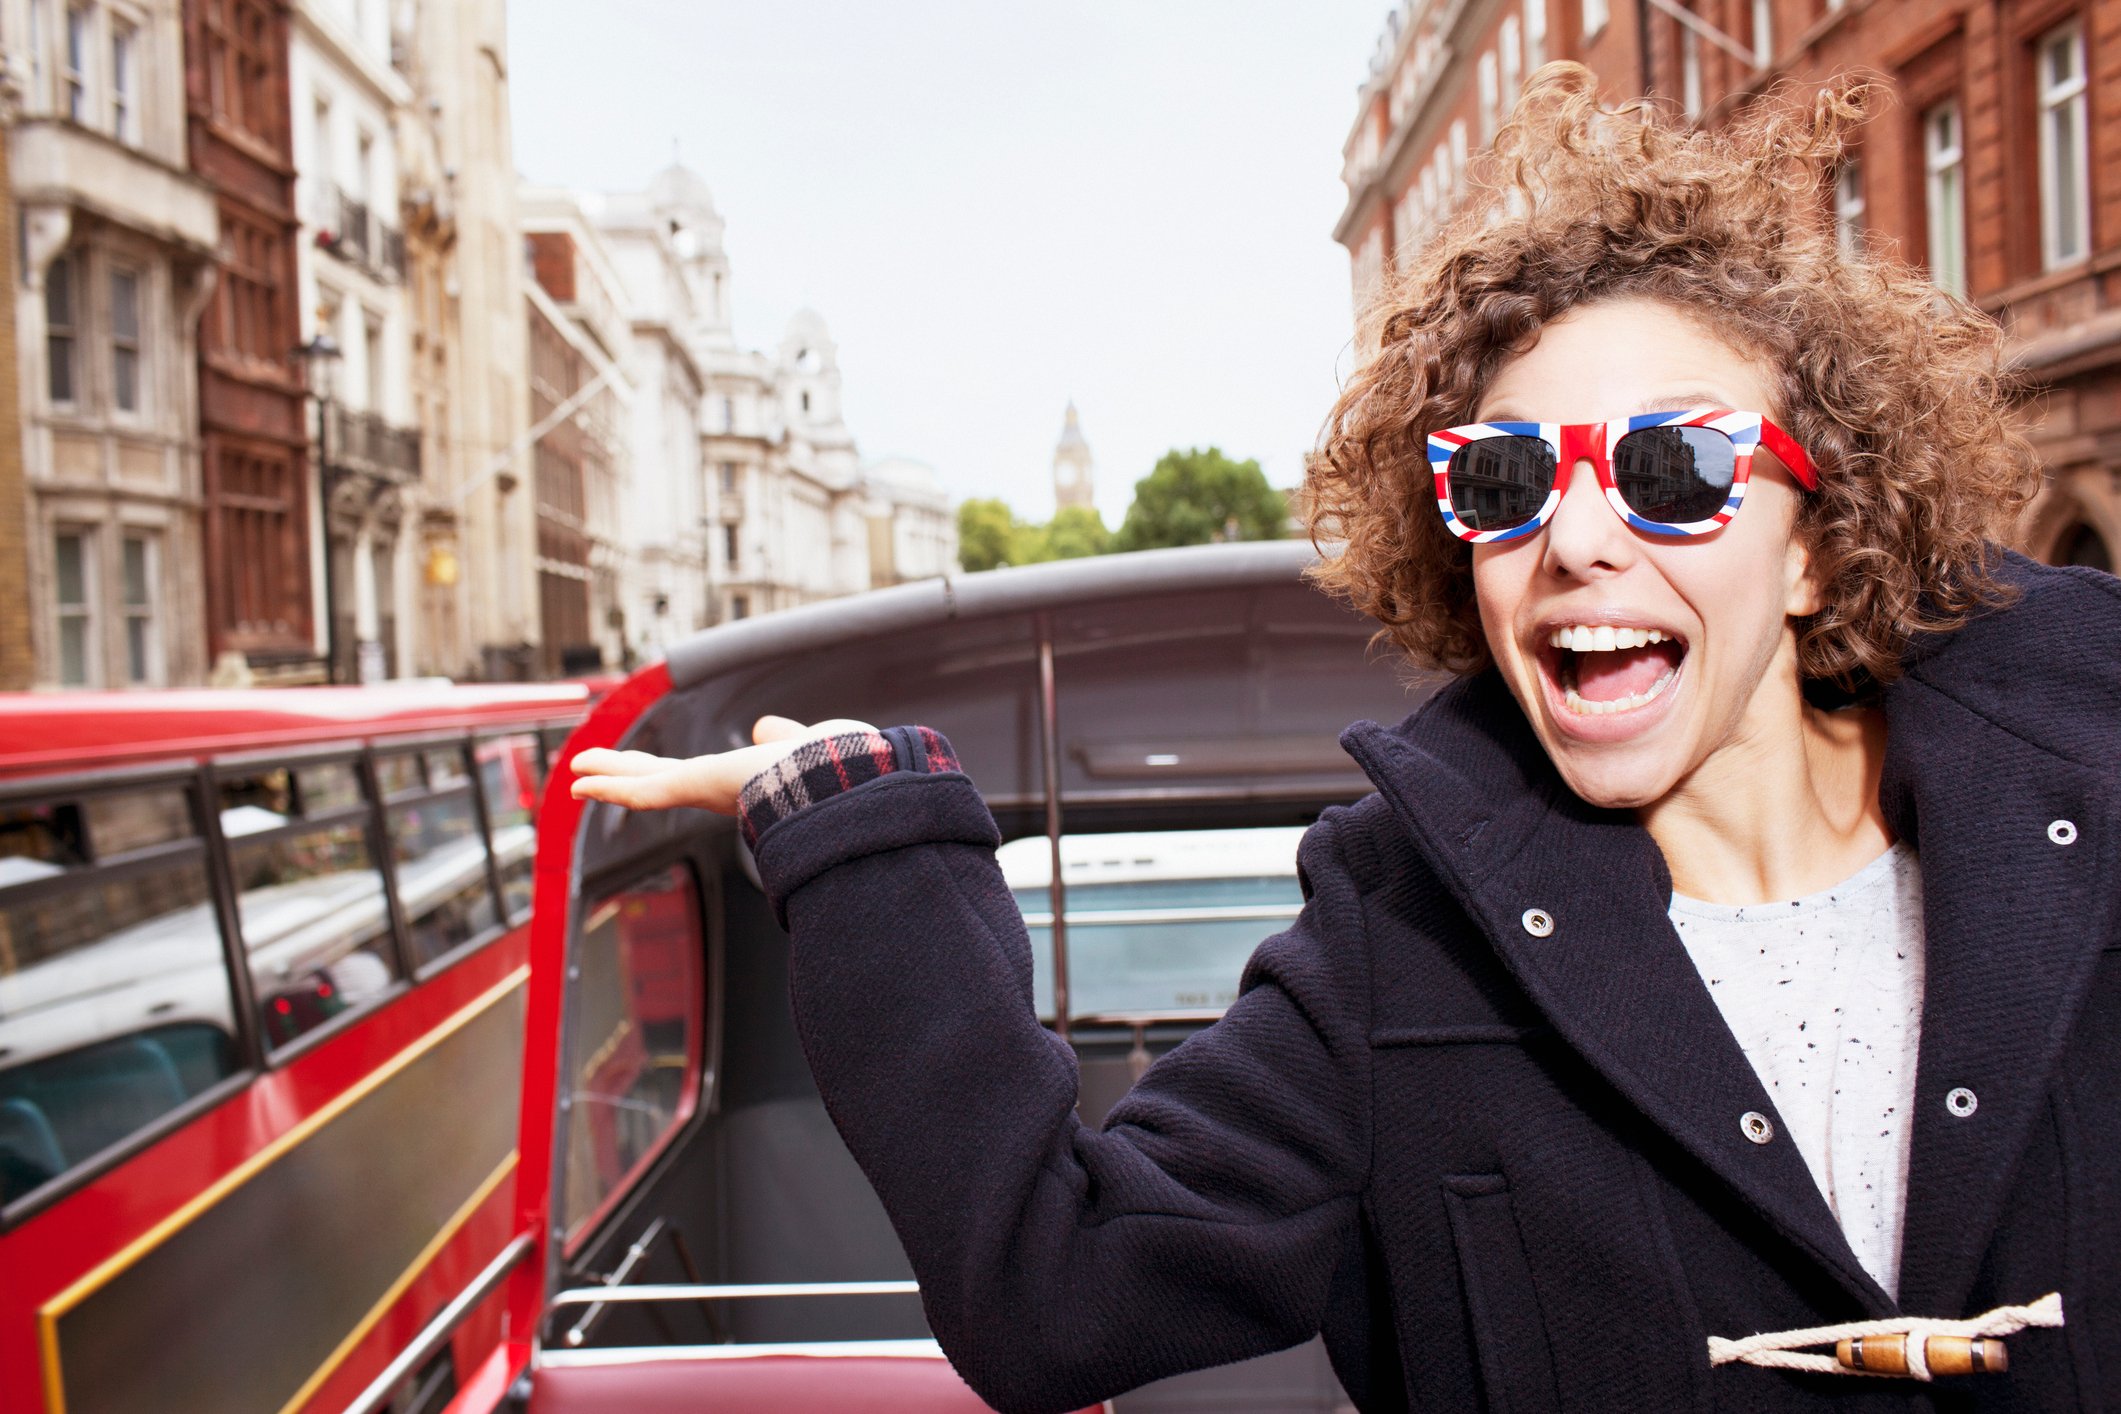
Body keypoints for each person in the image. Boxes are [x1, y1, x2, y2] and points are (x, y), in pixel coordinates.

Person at [569, 66, 2120, 1413]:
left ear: (1809, 544)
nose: (1576, 536)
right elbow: (1055, 1287)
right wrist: (859, 830)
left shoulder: (2091, 809)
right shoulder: (1398, 942)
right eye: (1505, 481)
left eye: (1669, 466)